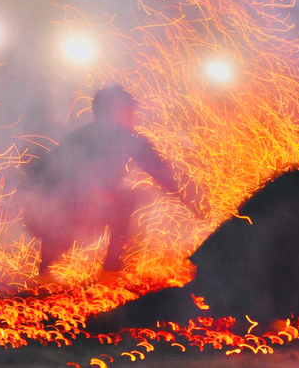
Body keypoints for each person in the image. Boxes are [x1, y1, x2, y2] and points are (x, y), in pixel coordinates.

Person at [87, 134, 299, 333]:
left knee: (194, 299)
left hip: (233, 253)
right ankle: (260, 321)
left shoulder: (289, 179)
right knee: (246, 302)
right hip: (265, 266)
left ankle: (116, 317)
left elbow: (245, 211)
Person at [24, 84, 207, 278]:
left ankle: (44, 271)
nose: (133, 118)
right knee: (129, 198)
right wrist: (192, 204)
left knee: (114, 200)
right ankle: (111, 269)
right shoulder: (127, 138)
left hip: (64, 215)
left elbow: (160, 173)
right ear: (118, 112)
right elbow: (163, 176)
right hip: (69, 213)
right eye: (129, 112)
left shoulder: (77, 137)